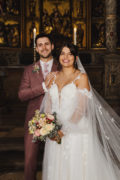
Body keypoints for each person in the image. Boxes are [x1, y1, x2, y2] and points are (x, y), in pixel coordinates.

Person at [41, 43, 120, 180]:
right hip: (55, 132)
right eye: (62, 53)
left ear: (76, 57)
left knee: (76, 168)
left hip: (76, 131)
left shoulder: (81, 78)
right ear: (58, 57)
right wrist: (49, 128)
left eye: (70, 54)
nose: (66, 57)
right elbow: (48, 104)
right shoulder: (52, 77)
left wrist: (63, 130)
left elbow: (81, 109)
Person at [18, 33, 58, 180]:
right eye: (40, 45)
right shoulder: (29, 69)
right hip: (33, 121)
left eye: (46, 44)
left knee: (58, 160)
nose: (44, 47)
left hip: (58, 119)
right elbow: (22, 95)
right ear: (36, 48)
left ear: (52, 46)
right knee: (30, 160)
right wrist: (42, 87)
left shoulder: (61, 66)